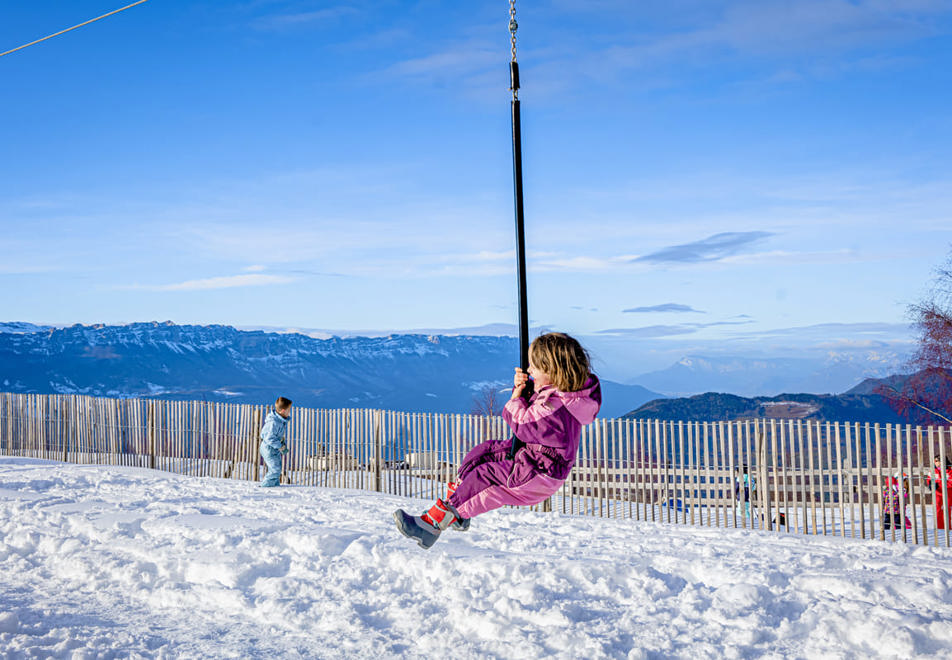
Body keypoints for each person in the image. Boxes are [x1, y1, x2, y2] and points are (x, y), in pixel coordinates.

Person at [393, 332, 601, 548]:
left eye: (534, 368)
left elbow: (521, 422)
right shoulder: (566, 394)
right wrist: (528, 389)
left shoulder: (556, 408)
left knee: (486, 476)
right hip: (533, 457)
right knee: (482, 454)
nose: (529, 371)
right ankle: (459, 513)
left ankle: (431, 526)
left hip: (540, 473)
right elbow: (537, 408)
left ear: (552, 370)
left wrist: (516, 396)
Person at [259, 396, 292, 488]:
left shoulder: (279, 421)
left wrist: (281, 443)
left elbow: (275, 435)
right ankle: (265, 487)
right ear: (283, 411)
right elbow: (269, 438)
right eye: (288, 410)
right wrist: (279, 446)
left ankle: (274, 487)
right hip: (268, 448)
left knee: (277, 466)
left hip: (273, 448)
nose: (289, 412)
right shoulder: (274, 423)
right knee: (275, 469)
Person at [929, 454, 952, 529]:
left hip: (947, 494)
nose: (935, 462)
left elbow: (950, 482)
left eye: (937, 461)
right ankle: (939, 528)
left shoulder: (949, 471)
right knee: (937, 511)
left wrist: (939, 484)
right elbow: (929, 479)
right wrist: (931, 484)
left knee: (946, 511)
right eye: (934, 461)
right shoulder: (933, 471)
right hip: (937, 494)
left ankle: (947, 528)